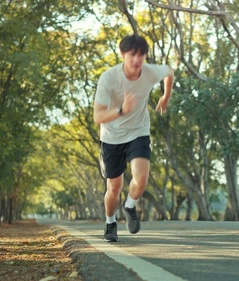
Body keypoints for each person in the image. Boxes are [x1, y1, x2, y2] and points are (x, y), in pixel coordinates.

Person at [93, 34, 174, 242]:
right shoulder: (109, 78)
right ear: (122, 55)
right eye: (132, 55)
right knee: (114, 187)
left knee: (141, 179)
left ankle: (129, 206)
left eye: (141, 55)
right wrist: (121, 110)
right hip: (111, 136)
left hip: (138, 131)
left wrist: (165, 97)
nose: (137, 60)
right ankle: (110, 222)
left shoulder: (149, 72)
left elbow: (169, 72)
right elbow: (97, 116)